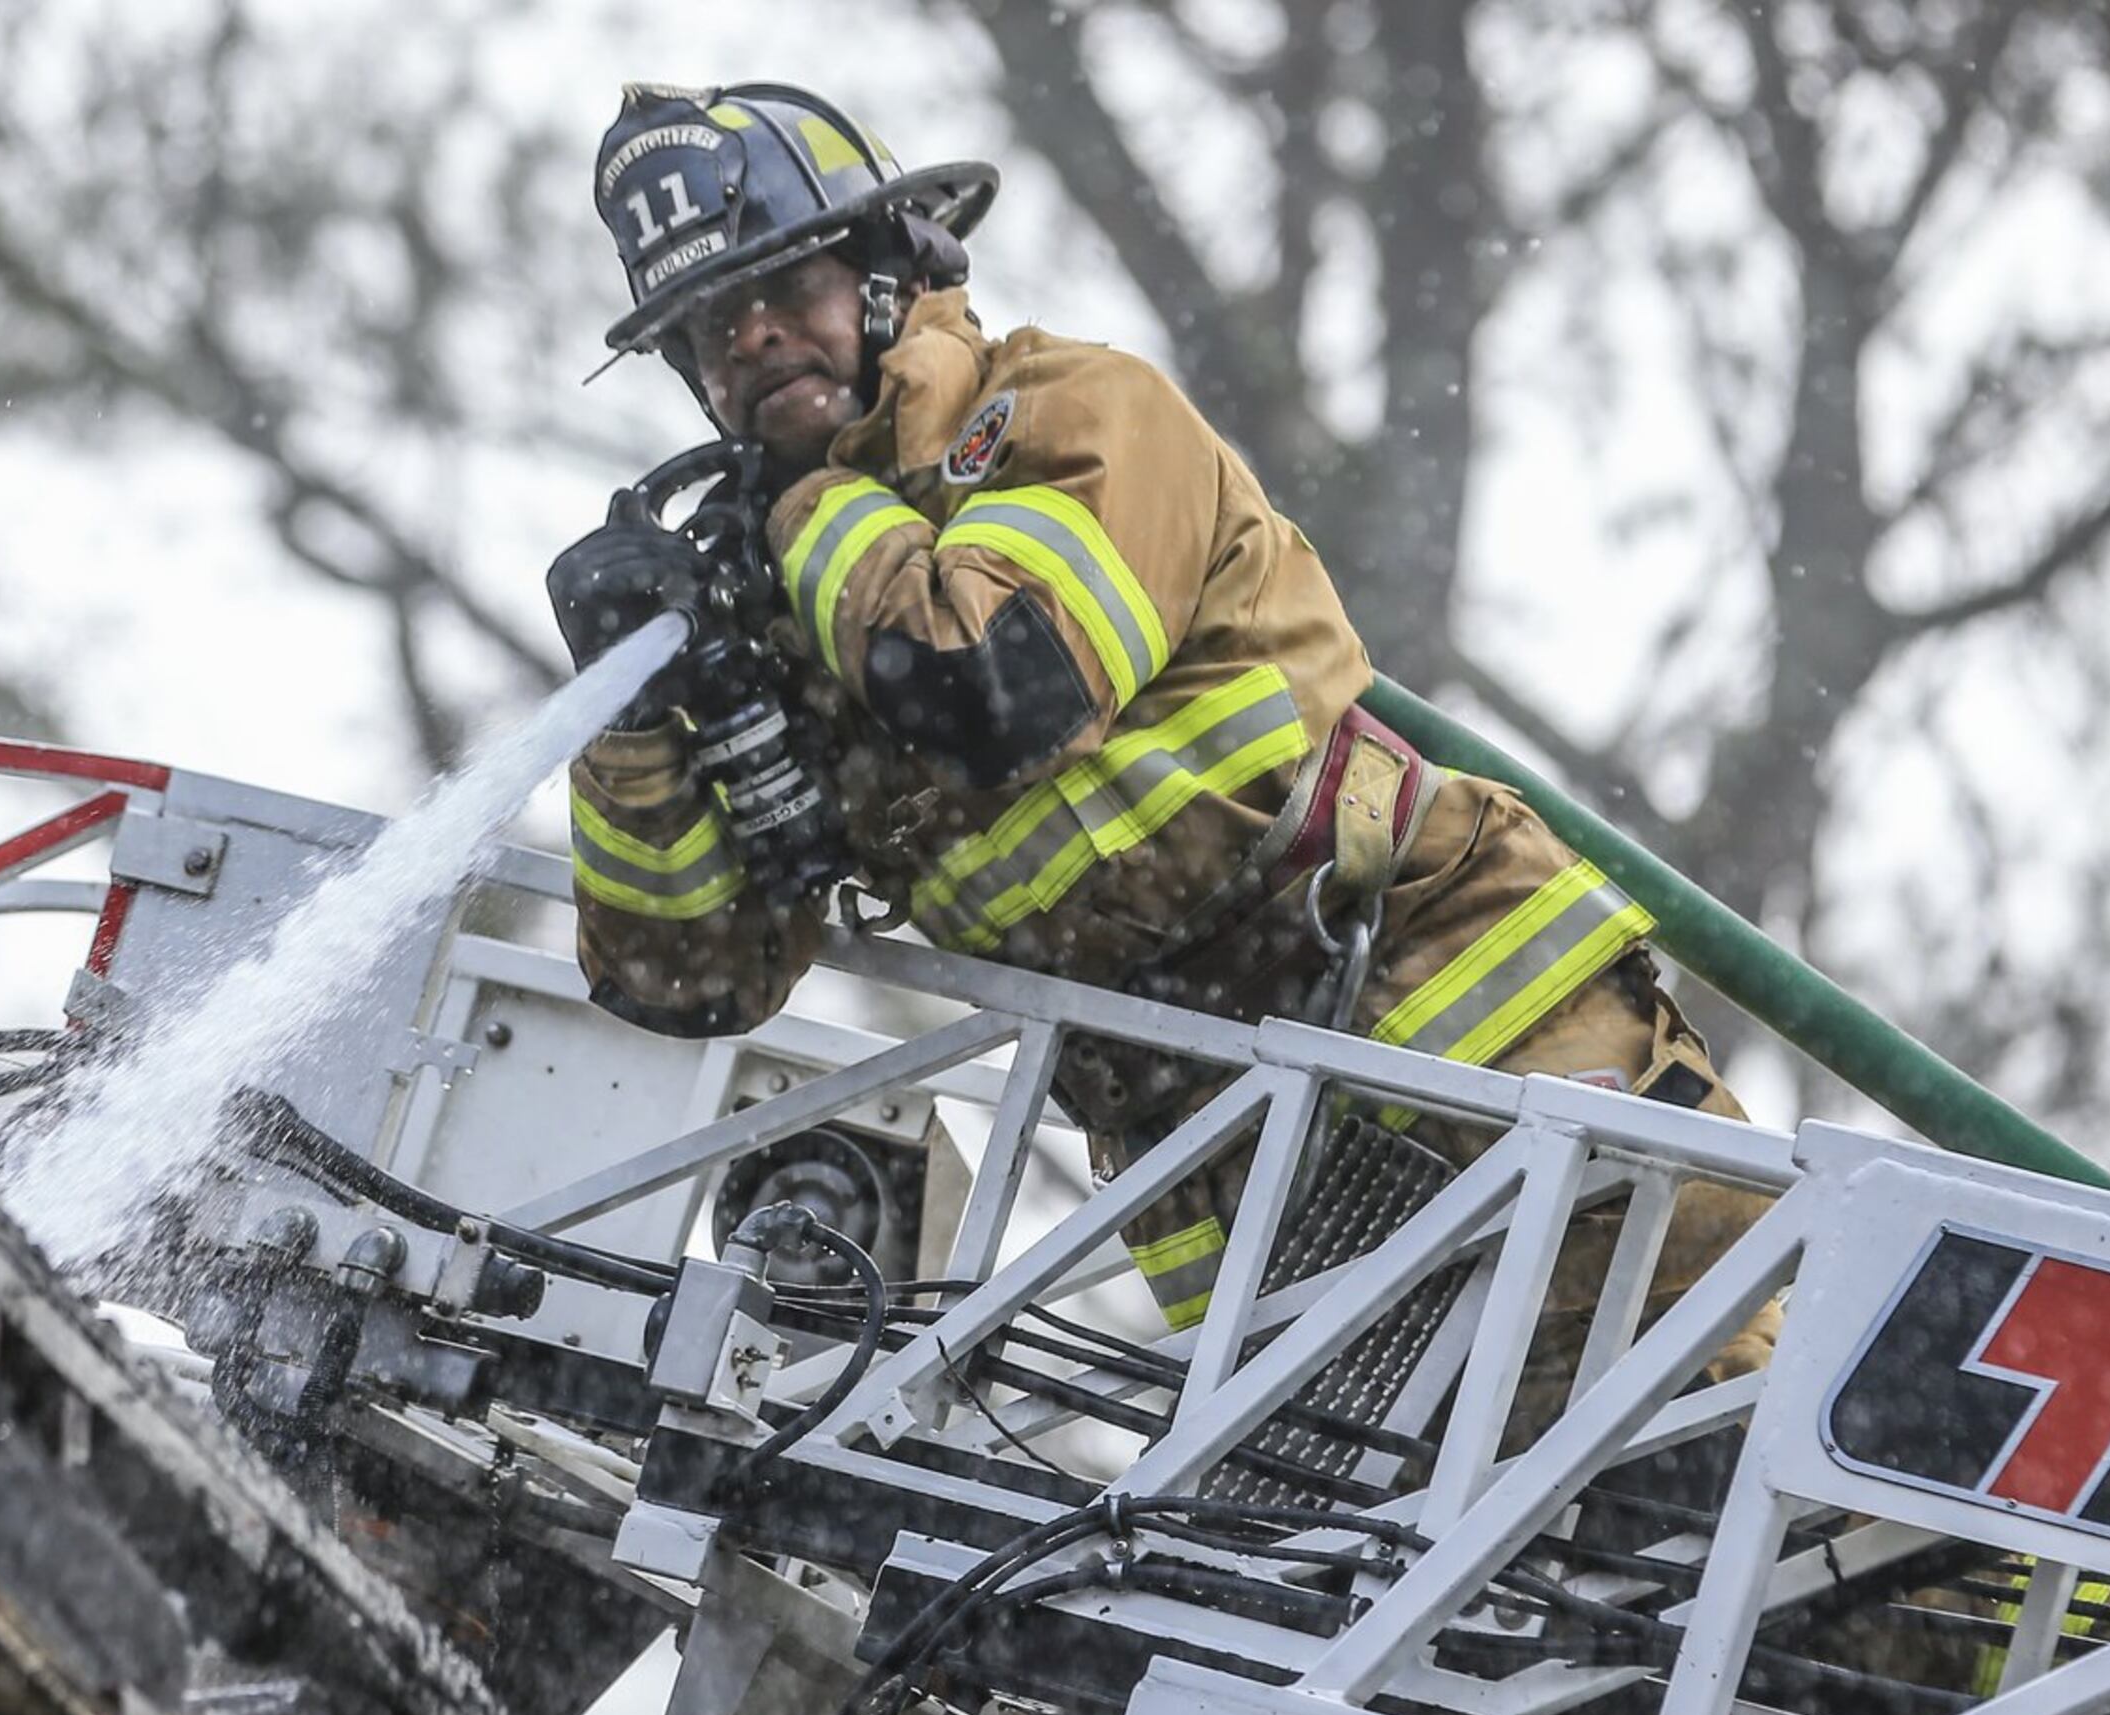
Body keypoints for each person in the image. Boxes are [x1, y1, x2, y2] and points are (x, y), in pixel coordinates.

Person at [549, 82, 1771, 1417]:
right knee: (1437, 1597)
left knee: (1746, 1489)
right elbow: (686, 981)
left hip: (1476, 1045)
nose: (752, 339)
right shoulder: (809, 601)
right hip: (1241, 1186)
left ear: (893, 269)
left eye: (787, 285)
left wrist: (800, 506)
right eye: (710, 326)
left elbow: (993, 686)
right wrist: (638, 713)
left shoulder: (1064, 420)